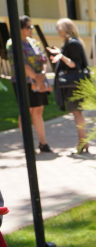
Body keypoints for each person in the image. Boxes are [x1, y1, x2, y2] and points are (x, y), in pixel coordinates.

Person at [6, 16, 51, 153]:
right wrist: (36, 78)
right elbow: (21, 64)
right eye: (28, 27)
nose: (31, 29)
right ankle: (28, 144)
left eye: (31, 26)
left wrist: (42, 74)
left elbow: (43, 59)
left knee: (38, 110)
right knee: (26, 111)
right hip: (24, 82)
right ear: (19, 29)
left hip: (38, 81)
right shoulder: (13, 43)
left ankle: (43, 143)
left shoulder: (33, 42)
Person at [47, 19, 90, 154]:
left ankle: (82, 141)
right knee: (77, 112)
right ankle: (83, 141)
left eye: (58, 27)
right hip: (74, 84)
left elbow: (75, 65)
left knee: (77, 112)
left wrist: (61, 56)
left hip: (74, 84)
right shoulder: (72, 43)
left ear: (65, 28)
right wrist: (60, 53)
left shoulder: (72, 43)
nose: (57, 30)